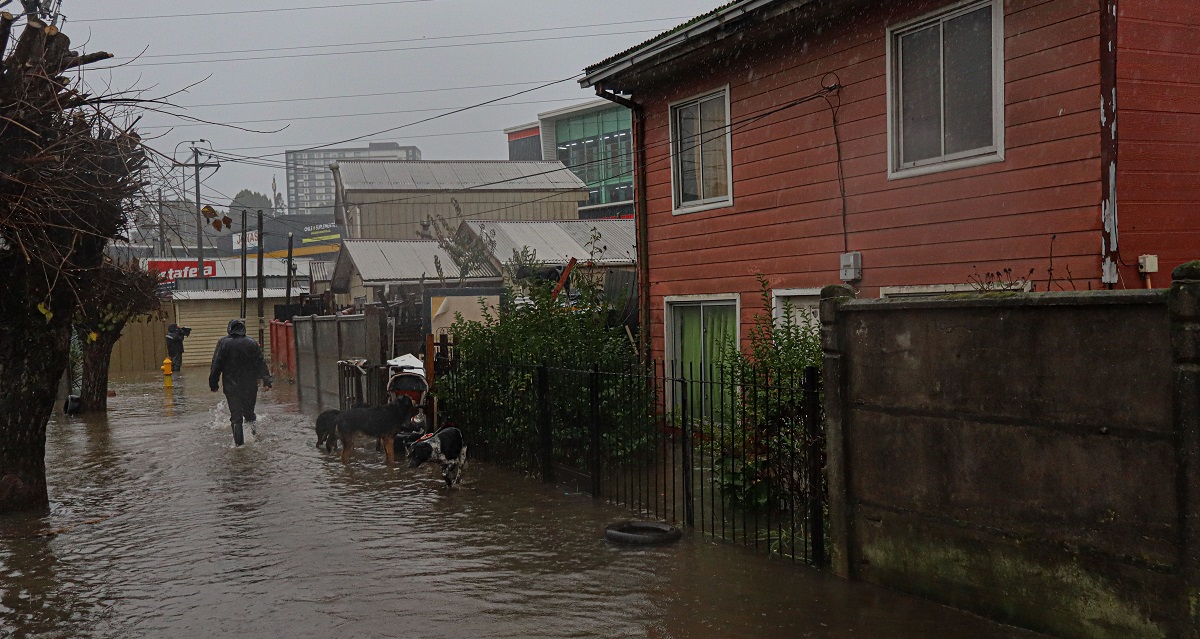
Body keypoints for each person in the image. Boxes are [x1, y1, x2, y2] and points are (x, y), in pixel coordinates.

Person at [209, 319, 272, 446]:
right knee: (249, 414)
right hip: (250, 385)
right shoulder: (252, 343)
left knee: (236, 416)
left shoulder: (223, 343)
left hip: (231, 386)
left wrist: (213, 382)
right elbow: (260, 363)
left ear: (230, 329)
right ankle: (253, 438)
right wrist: (267, 380)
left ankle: (239, 447)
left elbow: (216, 364)